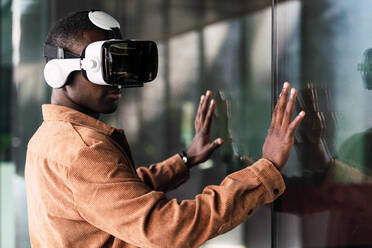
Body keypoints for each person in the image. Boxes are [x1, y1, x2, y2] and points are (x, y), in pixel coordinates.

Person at [25, 10, 305, 248]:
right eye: (107, 67)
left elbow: (115, 195)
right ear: (59, 72)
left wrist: (186, 159)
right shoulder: (83, 150)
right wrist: (265, 169)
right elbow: (167, 229)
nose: (119, 82)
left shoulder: (48, 138)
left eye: (124, 66)